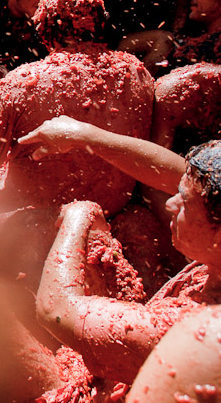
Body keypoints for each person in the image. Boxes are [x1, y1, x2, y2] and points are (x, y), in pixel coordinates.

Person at [0, 0, 154, 272]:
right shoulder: (136, 73)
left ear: (42, 28)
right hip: (111, 210)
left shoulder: (23, 83)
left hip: (36, 220)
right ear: (100, 21)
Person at [18, 119, 221, 385]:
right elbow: (180, 174)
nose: (171, 203)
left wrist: (77, 216)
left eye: (184, 202)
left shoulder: (195, 330)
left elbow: (55, 311)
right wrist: (84, 134)